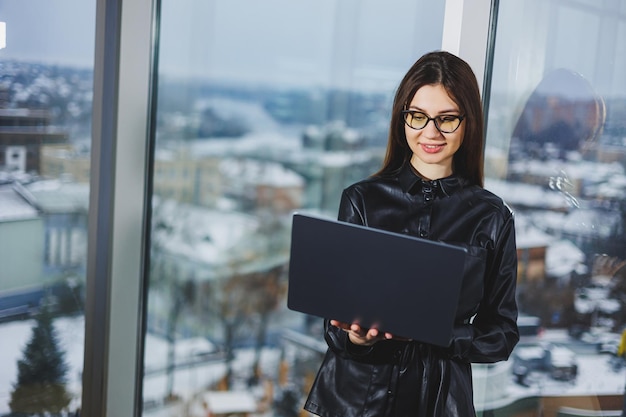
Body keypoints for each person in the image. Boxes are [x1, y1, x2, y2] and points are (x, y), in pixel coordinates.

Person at [303, 51, 520, 417]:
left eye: (446, 118)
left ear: (468, 123)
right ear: (402, 118)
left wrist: (439, 333)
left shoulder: (492, 216)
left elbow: (502, 334)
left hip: (439, 401)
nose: (430, 132)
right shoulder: (362, 200)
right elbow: (333, 327)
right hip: (356, 399)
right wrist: (355, 336)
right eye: (418, 116)